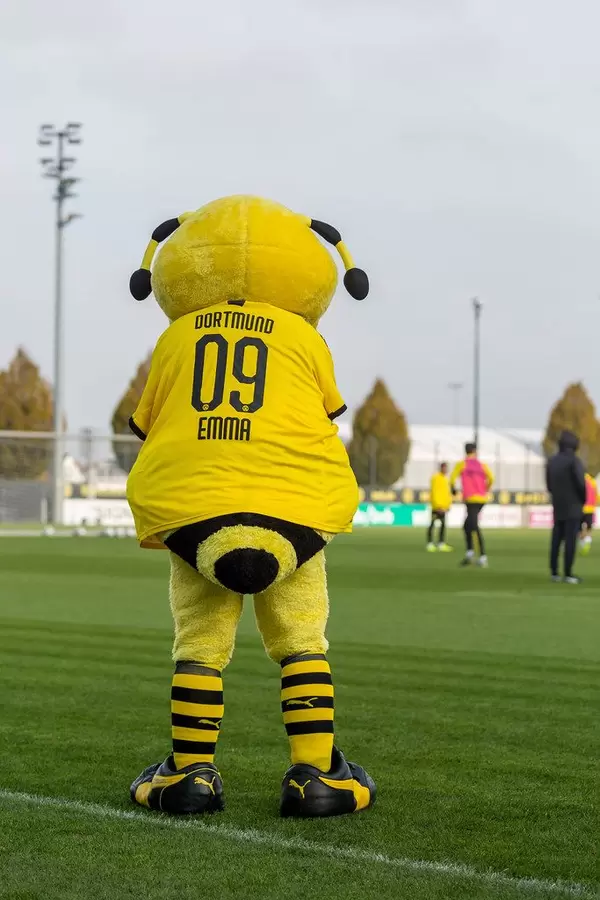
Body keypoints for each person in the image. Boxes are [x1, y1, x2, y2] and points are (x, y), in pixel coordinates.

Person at [546, 430, 586, 583]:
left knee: (556, 538)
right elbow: (580, 484)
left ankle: (554, 571)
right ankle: (568, 573)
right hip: (573, 505)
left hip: (558, 504)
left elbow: (549, 485)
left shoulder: (552, 461)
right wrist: (582, 500)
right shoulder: (574, 461)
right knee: (570, 540)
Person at [450, 442, 494, 567]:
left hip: (471, 499)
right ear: (475, 451)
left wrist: (453, 490)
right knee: (467, 525)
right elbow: (492, 478)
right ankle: (470, 554)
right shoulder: (482, 465)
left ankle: (482, 556)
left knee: (473, 525)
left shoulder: (462, 464)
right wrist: (485, 488)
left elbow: (452, 479)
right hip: (481, 498)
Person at [426, 462, 453, 552]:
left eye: (446, 468)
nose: (445, 470)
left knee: (443, 525)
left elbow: (447, 494)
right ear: (441, 468)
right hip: (437, 507)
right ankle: (429, 543)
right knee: (432, 524)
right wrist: (438, 506)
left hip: (444, 507)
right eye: (444, 468)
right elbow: (435, 492)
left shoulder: (446, 479)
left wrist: (447, 505)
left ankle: (441, 543)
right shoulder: (436, 478)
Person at [579, 472, 597, 556]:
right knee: (589, 528)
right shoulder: (593, 481)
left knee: (579, 528)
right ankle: (588, 542)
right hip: (590, 509)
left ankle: (583, 543)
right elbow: (596, 495)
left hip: (581, 508)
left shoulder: (579, 480)